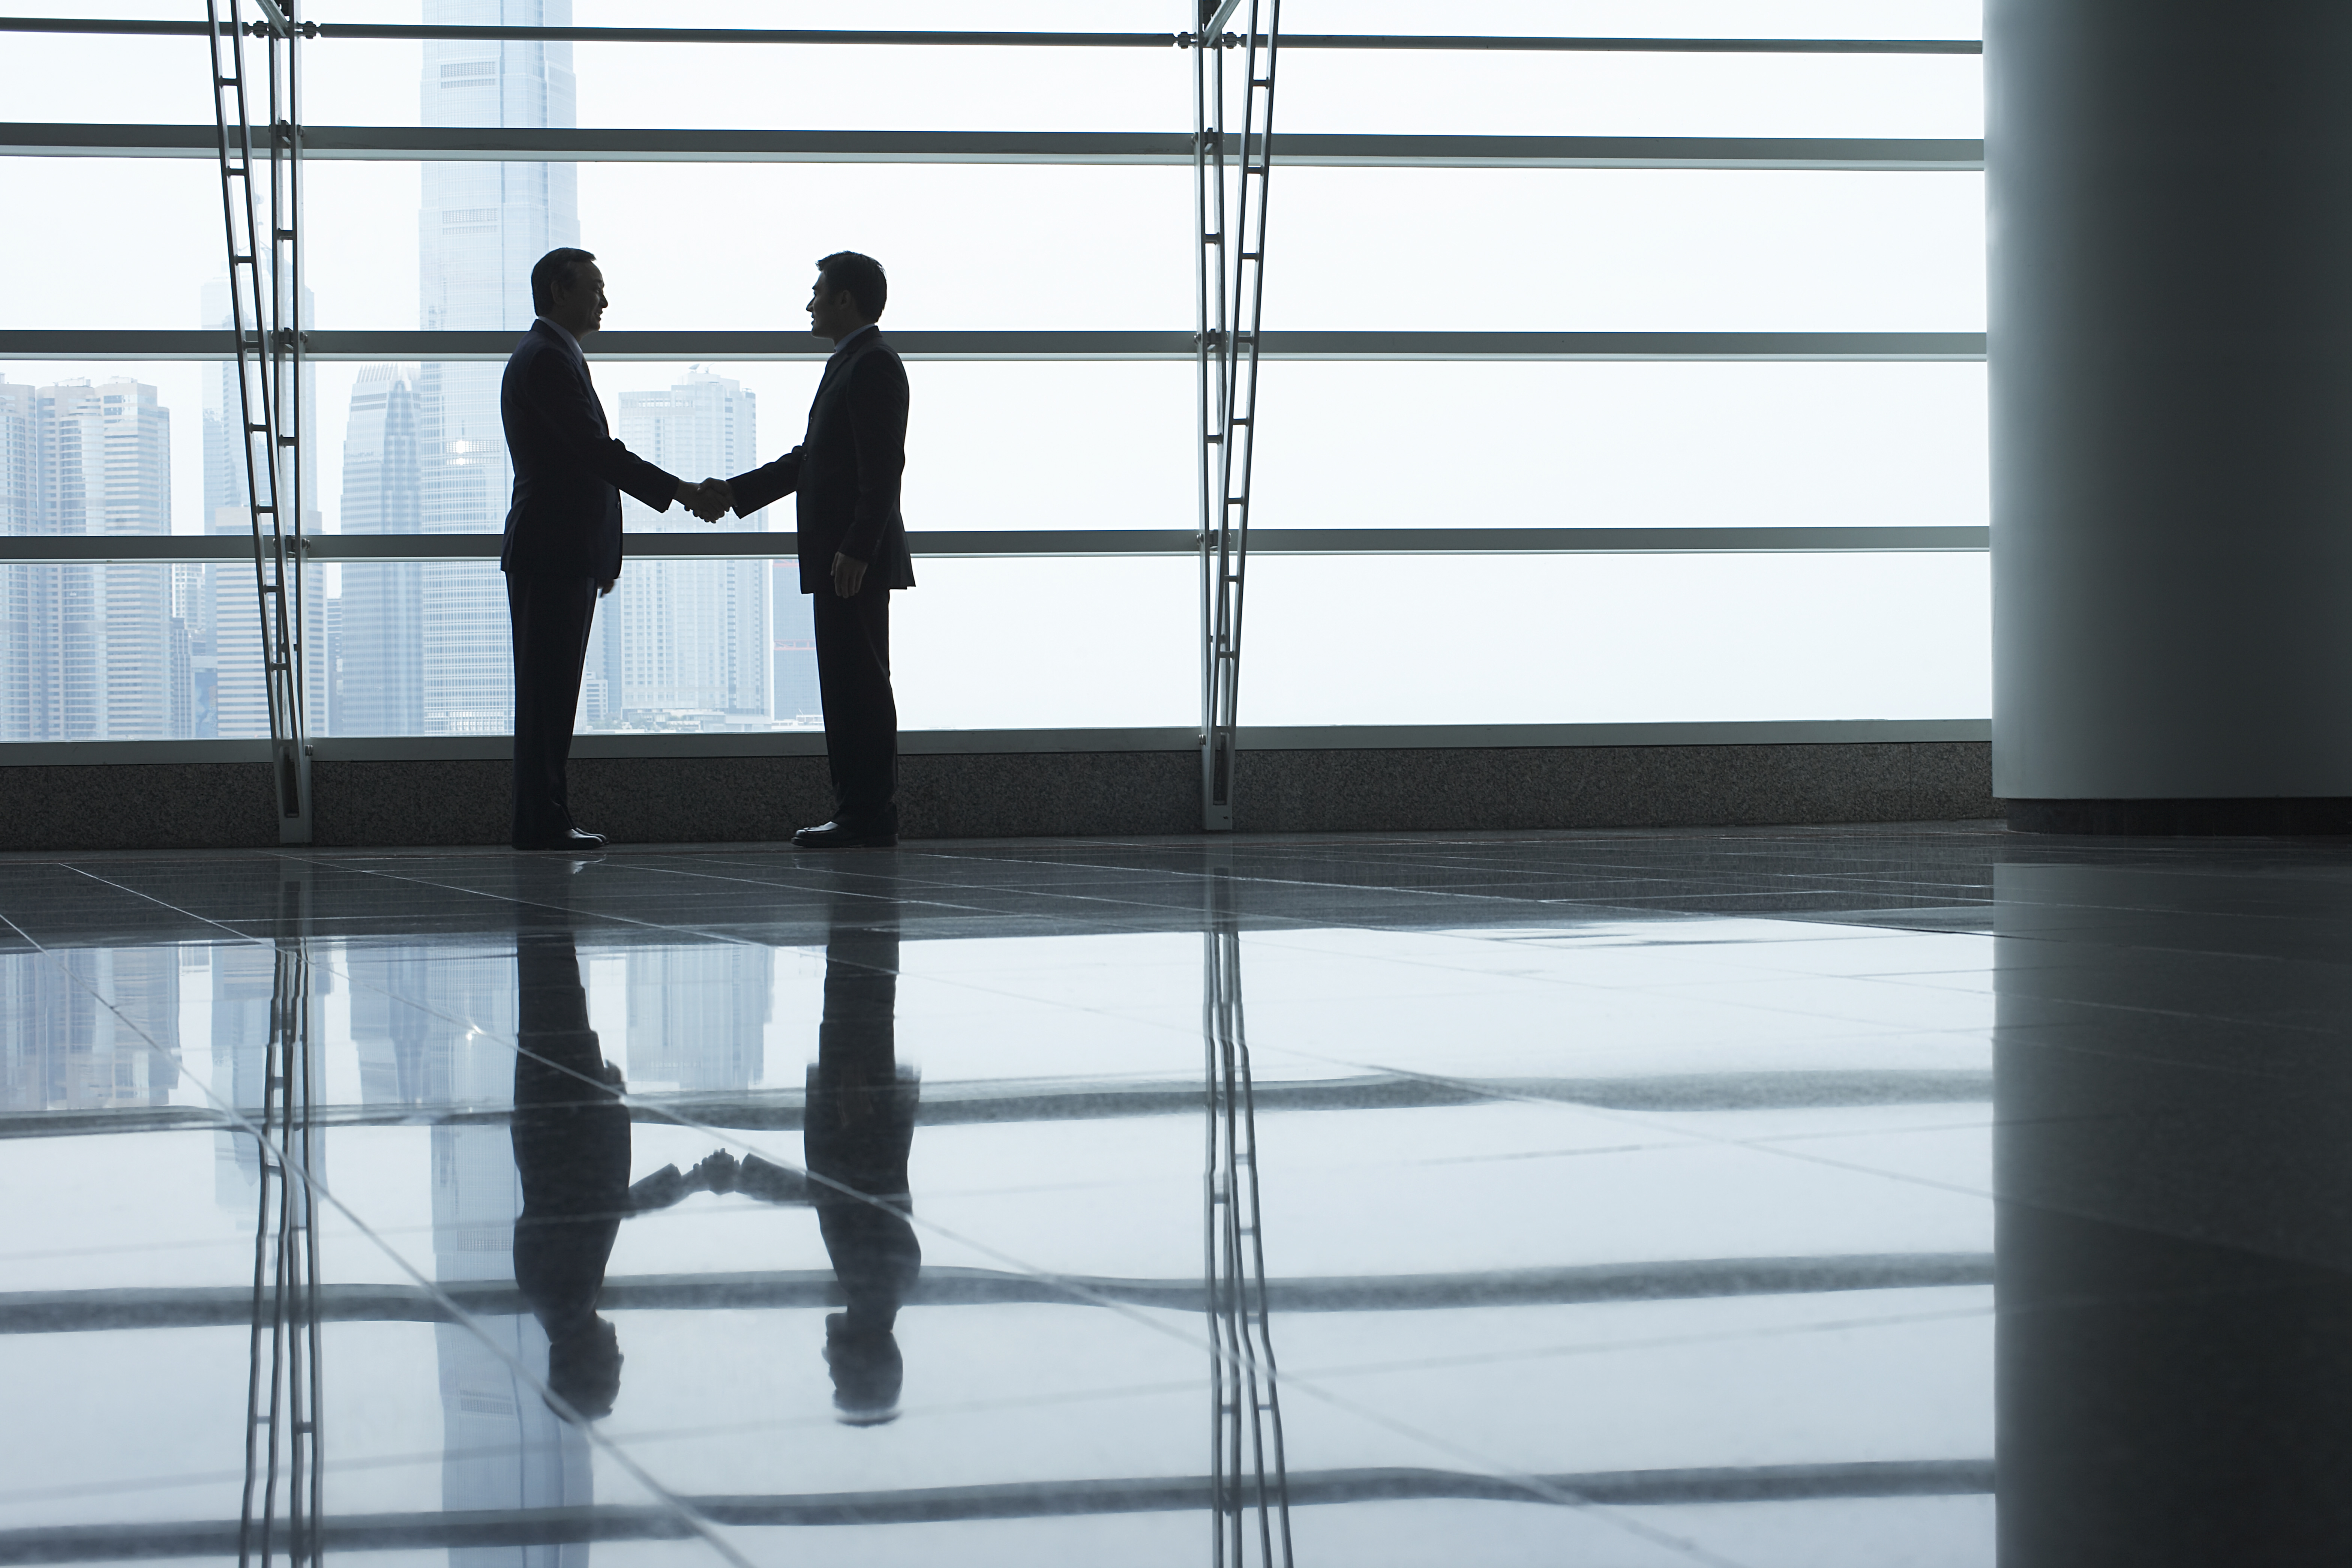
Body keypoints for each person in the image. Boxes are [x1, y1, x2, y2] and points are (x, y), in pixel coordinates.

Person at [500, 246, 724, 852]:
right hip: (553, 552)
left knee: (552, 693)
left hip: (562, 551)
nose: (605, 300)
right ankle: (541, 822)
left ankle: (543, 817)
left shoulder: (552, 356)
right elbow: (594, 453)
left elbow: (585, 461)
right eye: (594, 287)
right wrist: (678, 491)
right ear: (556, 291)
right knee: (548, 695)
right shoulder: (547, 360)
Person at [692, 253, 914, 849]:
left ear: (846, 300)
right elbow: (813, 459)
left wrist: (857, 549)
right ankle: (858, 811)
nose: (810, 303)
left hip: (850, 561)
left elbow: (883, 467)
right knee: (846, 685)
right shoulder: (853, 363)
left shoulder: (872, 365)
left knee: (859, 687)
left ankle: (868, 814)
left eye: (818, 292)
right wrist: (736, 492)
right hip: (841, 558)